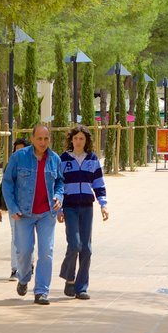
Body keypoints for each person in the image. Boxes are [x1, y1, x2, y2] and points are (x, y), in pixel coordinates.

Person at [2, 124, 64, 305]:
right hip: (24, 214)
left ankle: (41, 291)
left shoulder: (54, 159)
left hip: (47, 214)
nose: (43, 142)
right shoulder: (19, 157)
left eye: (46, 139)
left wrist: (59, 196)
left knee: (46, 252)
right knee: (24, 251)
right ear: (32, 138)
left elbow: (60, 182)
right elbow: (7, 183)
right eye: (39, 138)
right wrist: (12, 207)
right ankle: (23, 278)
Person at [57, 125, 108, 300]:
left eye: (82, 139)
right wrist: (60, 209)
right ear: (71, 140)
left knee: (86, 248)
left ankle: (81, 287)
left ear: (86, 141)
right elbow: (58, 185)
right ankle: (69, 278)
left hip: (87, 207)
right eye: (76, 138)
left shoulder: (93, 159)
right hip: (70, 207)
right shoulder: (62, 159)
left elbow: (99, 184)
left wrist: (103, 205)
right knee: (74, 245)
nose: (78, 142)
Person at [0, 137, 30, 281]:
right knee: (15, 237)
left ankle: (29, 263)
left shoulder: (33, 165)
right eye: (16, 151)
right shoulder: (10, 166)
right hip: (13, 207)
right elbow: (3, 187)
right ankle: (15, 269)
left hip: (30, 207)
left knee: (28, 238)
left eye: (22, 150)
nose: (19, 153)